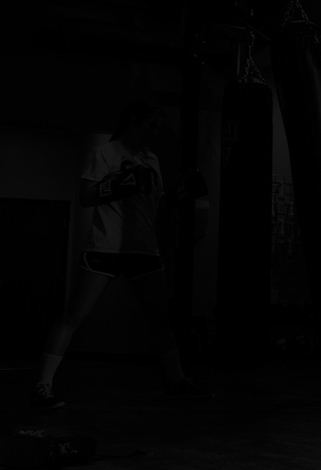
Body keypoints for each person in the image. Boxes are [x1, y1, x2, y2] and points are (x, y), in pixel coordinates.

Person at [29, 101, 211, 408]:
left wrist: (180, 194)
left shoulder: (151, 159)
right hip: (106, 247)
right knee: (74, 316)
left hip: (144, 249)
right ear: (133, 123)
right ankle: (42, 386)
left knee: (161, 320)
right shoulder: (105, 153)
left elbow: (156, 203)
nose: (156, 131)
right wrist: (118, 185)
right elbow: (86, 196)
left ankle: (177, 380)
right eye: (151, 125)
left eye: (158, 126)